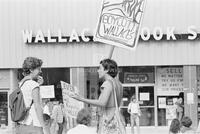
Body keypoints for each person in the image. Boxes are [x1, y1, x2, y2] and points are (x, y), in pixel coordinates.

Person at [71, 59, 125, 134]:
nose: (98, 71)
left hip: (108, 120)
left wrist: (81, 99)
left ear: (106, 70)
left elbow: (102, 102)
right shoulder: (118, 84)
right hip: (116, 118)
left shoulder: (107, 84)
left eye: (100, 68)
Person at [16, 57, 50, 134]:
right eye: (38, 69)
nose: (40, 71)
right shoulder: (33, 85)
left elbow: (28, 99)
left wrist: (38, 85)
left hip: (22, 124)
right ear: (31, 70)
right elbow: (37, 106)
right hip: (34, 123)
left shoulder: (21, 84)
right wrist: (44, 127)